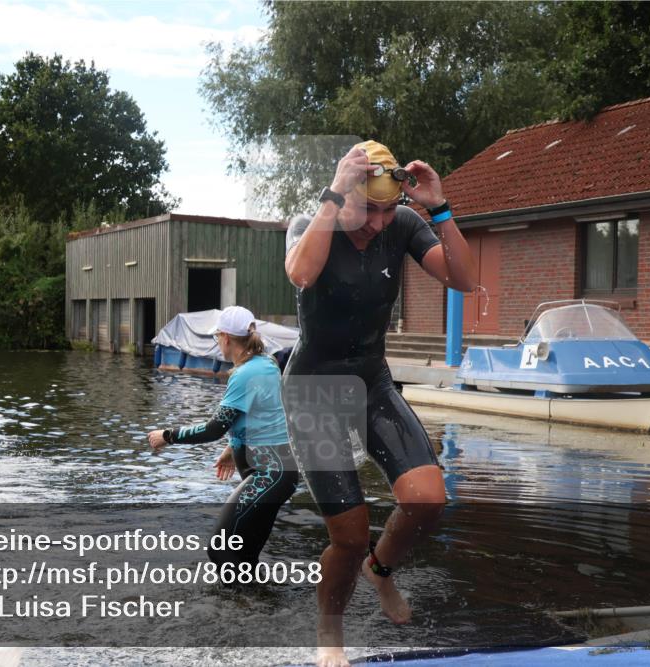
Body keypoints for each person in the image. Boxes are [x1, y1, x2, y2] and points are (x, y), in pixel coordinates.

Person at [282, 140, 478, 667]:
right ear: (343, 191)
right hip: (314, 388)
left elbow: (465, 279)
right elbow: (301, 275)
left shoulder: (403, 226)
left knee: (428, 499)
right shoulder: (312, 222)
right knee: (347, 536)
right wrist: (333, 199)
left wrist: (438, 207)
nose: (377, 222)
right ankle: (330, 635)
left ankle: (381, 570)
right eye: (366, 208)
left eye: (388, 209)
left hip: (371, 379)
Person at [148, 306, 299, 566]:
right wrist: (233, 447)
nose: (217, 342)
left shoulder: (245, 374)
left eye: (217, 336)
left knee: (221, 551)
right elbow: (259, 415)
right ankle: (254, 604)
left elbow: (213, 428)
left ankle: (241, 605)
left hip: (268, 474)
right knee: (244, 555)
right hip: (277, 473)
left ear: (226, 337)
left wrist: (168, 435)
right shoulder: (266, 363)